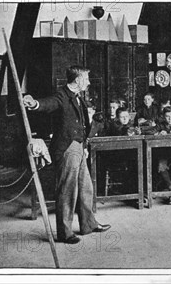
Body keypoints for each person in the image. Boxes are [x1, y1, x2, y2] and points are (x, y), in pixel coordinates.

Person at [23, 65, 110, 244]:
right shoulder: (62, 95)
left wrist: (84, 145)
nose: (89, 82)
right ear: (77, 80)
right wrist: (34, 104)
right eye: (86, 79)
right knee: (68, 190)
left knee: (86, 187)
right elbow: (48, 104)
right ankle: (65, 232)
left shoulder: (79, 97)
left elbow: (83, 124)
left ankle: (88, 224)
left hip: (78, 146)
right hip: (67, 148)